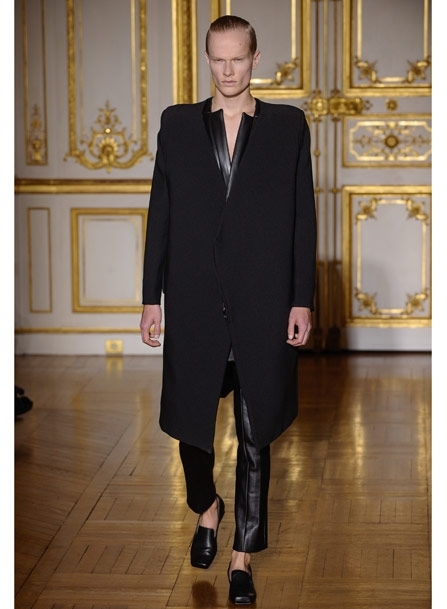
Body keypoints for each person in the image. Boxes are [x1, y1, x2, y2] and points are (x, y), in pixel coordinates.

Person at [140, 14, 316, 606]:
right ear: (208, 59)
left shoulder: (288, 127)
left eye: (238, 58)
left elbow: (302, 216)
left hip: (264, 301)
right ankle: (206, 506)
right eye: (218, 59)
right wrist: (151, 297)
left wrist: (301, 298)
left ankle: (242, 555)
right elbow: (161, 212)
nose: (228, 70)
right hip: (194, 299)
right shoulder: (178, 124)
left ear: (255, 58)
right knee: (190, 420)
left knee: (254, 430)